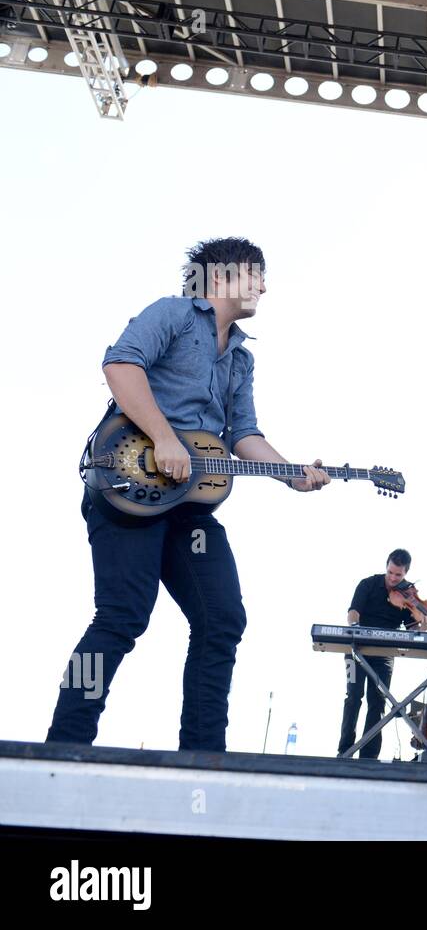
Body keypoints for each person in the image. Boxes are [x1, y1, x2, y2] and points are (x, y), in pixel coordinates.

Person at [48, 237, 331, 751]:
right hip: (128, 487)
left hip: (190, 508)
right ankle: (64, 743)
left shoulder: (241, 360)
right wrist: (162, 436)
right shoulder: (173, 314)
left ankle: (203, 755)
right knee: (121, 617)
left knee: (222, 617)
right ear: (219, 277)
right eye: (256, 275)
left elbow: (243, 434)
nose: (264, 286)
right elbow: (120, 366)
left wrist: (291, 473)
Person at [338, 549, 427, 760]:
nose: (392, 578)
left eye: (398, 575)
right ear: (387, 566)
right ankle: (344, 751)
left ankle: (369, 757)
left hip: (384, 654)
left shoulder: (408, 595)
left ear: (406, 573)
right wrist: (355, 627)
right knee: (353, 697)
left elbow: (411, 631)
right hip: (355, 649)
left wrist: (423, 627)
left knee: (378, 701)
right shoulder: (367, 584)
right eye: (390, 572)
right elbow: (353, 612)